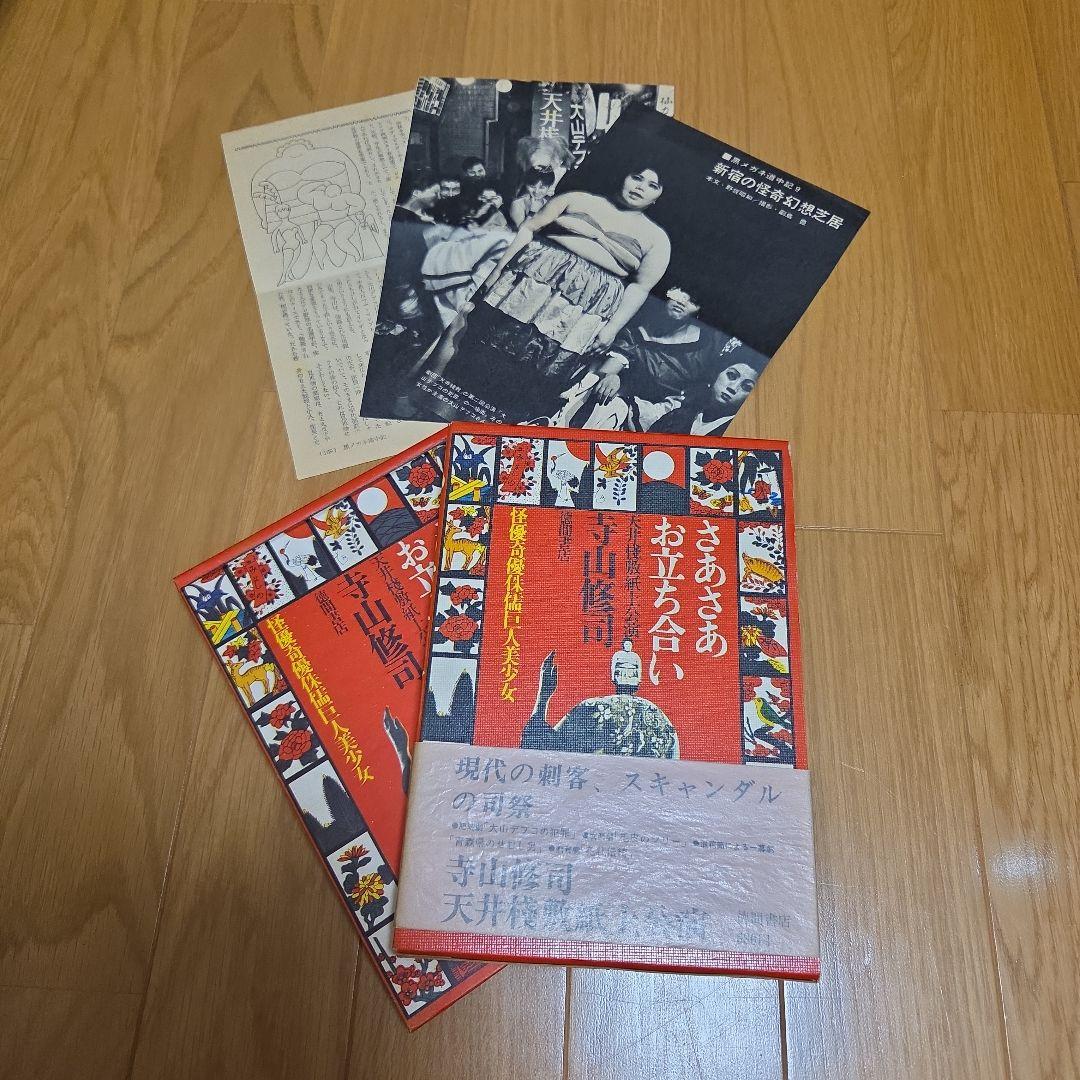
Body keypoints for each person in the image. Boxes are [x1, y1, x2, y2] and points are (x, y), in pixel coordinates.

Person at [432, 164, 672, 421]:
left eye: (652, 185)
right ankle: (439, 419)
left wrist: (612, 327)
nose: (640, 187)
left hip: (586, 306)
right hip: (533, 283)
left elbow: (640, 287)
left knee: (534, 369)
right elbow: (528, 228)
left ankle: (485, 430)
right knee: (483, 348)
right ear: (623, 176)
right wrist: (498, 270)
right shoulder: (577, 198)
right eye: (636, 177)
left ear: (658, 196)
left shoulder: (657, 239)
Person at [649, 342, 769, 435]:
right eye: (731, 376)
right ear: (717, 373)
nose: (733, 388)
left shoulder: (740, 432)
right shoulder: (677, 415)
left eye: (746, 387)